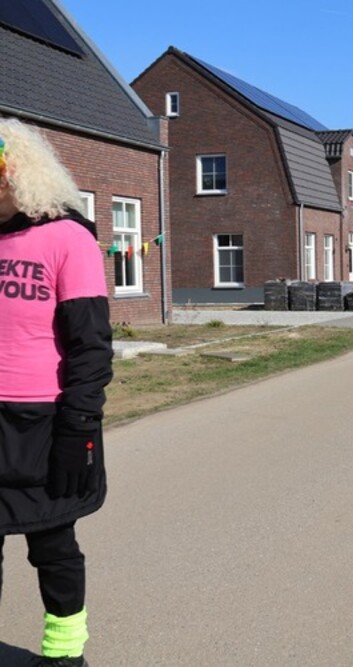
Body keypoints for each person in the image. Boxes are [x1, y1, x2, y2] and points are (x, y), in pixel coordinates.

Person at [0, 118, 113, 667]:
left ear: (15, 173)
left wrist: (79, 426)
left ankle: (65, 655)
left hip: (44, 422)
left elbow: (91, 346)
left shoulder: (67, 237)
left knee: (52, 544)